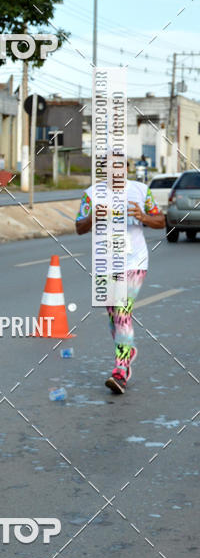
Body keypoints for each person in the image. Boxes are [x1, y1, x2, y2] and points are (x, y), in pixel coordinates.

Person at [75, 157, 164, 393]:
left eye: (120, 166)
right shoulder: (91, 194)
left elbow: (161, 220)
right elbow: (79, 227)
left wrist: (143, 217)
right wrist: (93, 217)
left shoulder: (141, 191)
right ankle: (128, 350)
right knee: (114, 315)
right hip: (105, 264)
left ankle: (120, 370)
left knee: (122, 311)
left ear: (126, 168)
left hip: (134, 261)